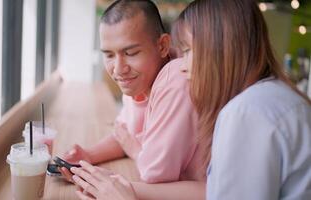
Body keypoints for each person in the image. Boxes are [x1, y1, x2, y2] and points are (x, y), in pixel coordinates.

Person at [70, 0, 311, 199]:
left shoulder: (246, 113)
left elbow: (155, 171)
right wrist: (121, 187)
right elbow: (212, 191)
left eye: (187, 51)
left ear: (219, 48)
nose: (182, 66)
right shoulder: (275, 97)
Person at [60, 0, 207, 188]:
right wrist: (88, 155)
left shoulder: (177, 79)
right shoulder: (139, 79)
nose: (119, 69)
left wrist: (134, 149)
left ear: (162, 46)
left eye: (131, 53)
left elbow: (155, 172)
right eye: (109, 55)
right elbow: (124, 133)